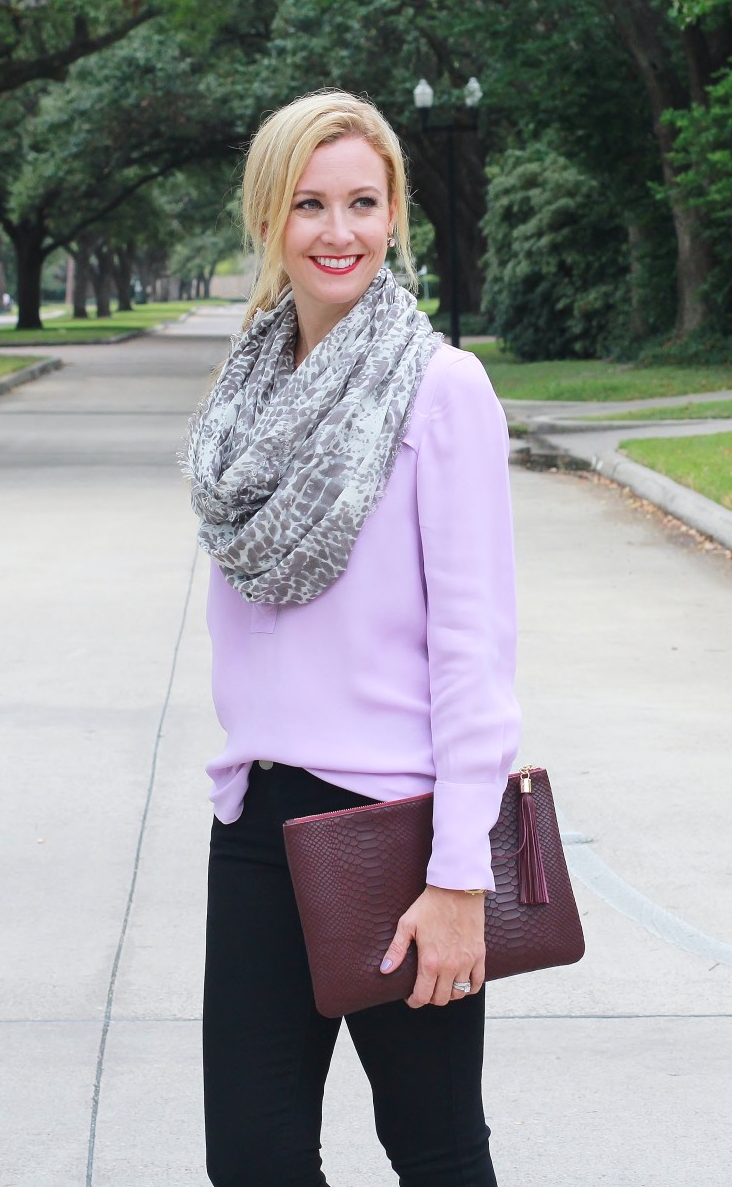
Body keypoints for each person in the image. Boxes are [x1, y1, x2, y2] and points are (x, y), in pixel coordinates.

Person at [182, 89, 521, 1187]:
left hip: (395, 836)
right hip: (257, 821)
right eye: (309, 203)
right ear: (267, 218)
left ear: (394, 217)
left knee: (431, 1151)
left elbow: (472, 653)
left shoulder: (439, 389)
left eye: (362, 203)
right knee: (252, 1157)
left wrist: (459, 877)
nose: (338, 231)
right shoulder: (244, 403)